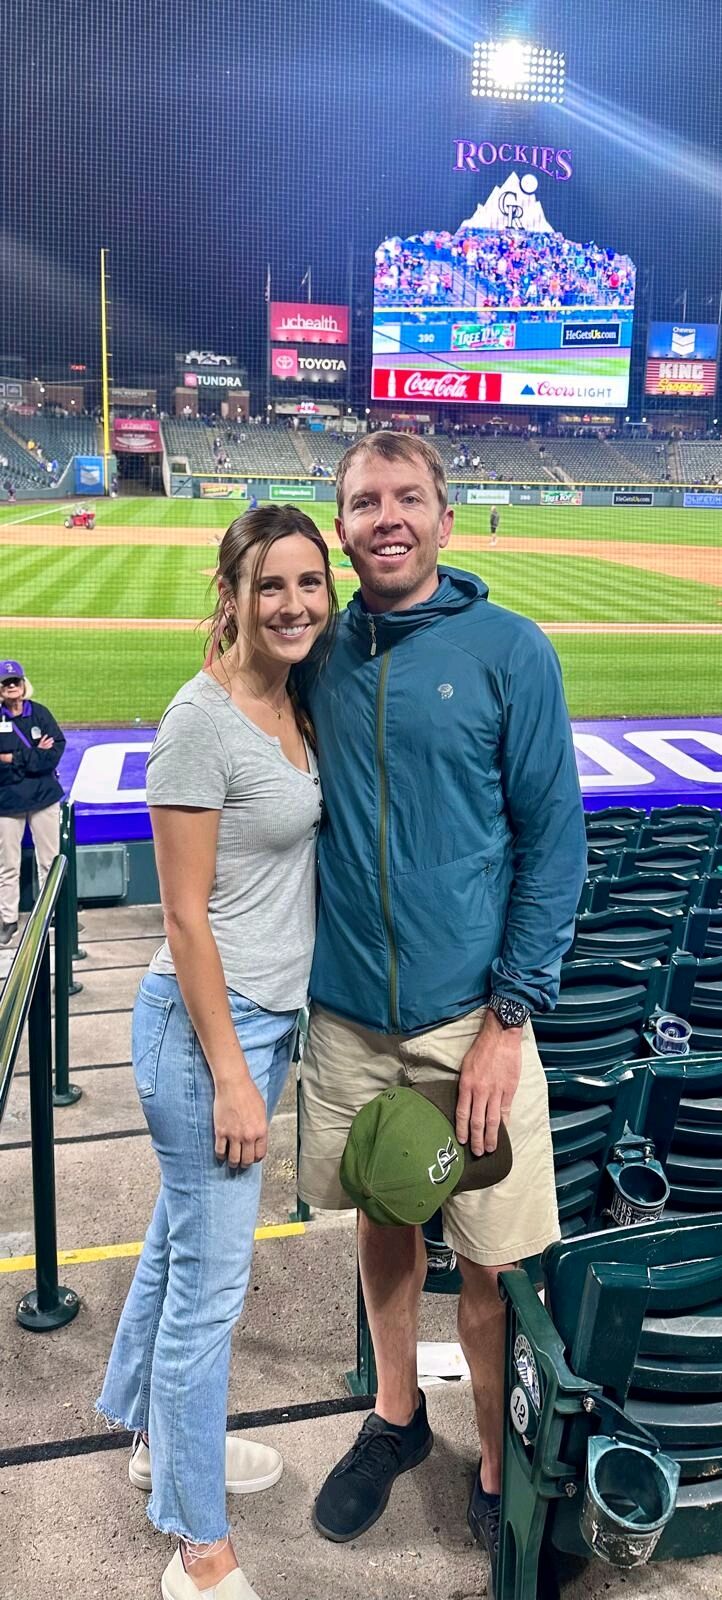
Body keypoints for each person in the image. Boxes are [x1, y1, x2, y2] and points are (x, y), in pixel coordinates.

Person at [295, 433, 586, 1597]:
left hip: (475, 1022)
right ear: (342, 523)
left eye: (406, 497)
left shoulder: (509, 649)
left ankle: (489, 1463)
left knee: (490, 1258)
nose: (386, 517)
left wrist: (508, 1017)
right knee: (379, 1223)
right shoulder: (317, 653)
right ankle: (395, 1414)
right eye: (364, 501)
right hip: (350, 1018)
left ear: (445, 518)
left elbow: (552, 847)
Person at [96, 505, 338, 1600]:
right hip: (209, 1036)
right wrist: (234, 1076)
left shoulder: (287, 699)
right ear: (231, 591)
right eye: (269, 585)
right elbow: (183, 918)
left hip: (254, 1025)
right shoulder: (201, 721)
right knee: (208, 1288)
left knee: (174, 1248)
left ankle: (156, 1442)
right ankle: (197, 1543)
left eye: (308, 583)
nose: (292, 604)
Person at [0, 662, 66, 947]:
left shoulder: (40, 712)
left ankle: (52, 913)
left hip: (43, 799)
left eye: (15, 680)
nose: (11, 686)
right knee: (7, 866)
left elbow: (55, 752)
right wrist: (33, 757)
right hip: (7, 802)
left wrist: (13, 760)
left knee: (50, 862)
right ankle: (8, 919)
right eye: (6, 682)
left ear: (24, 683)